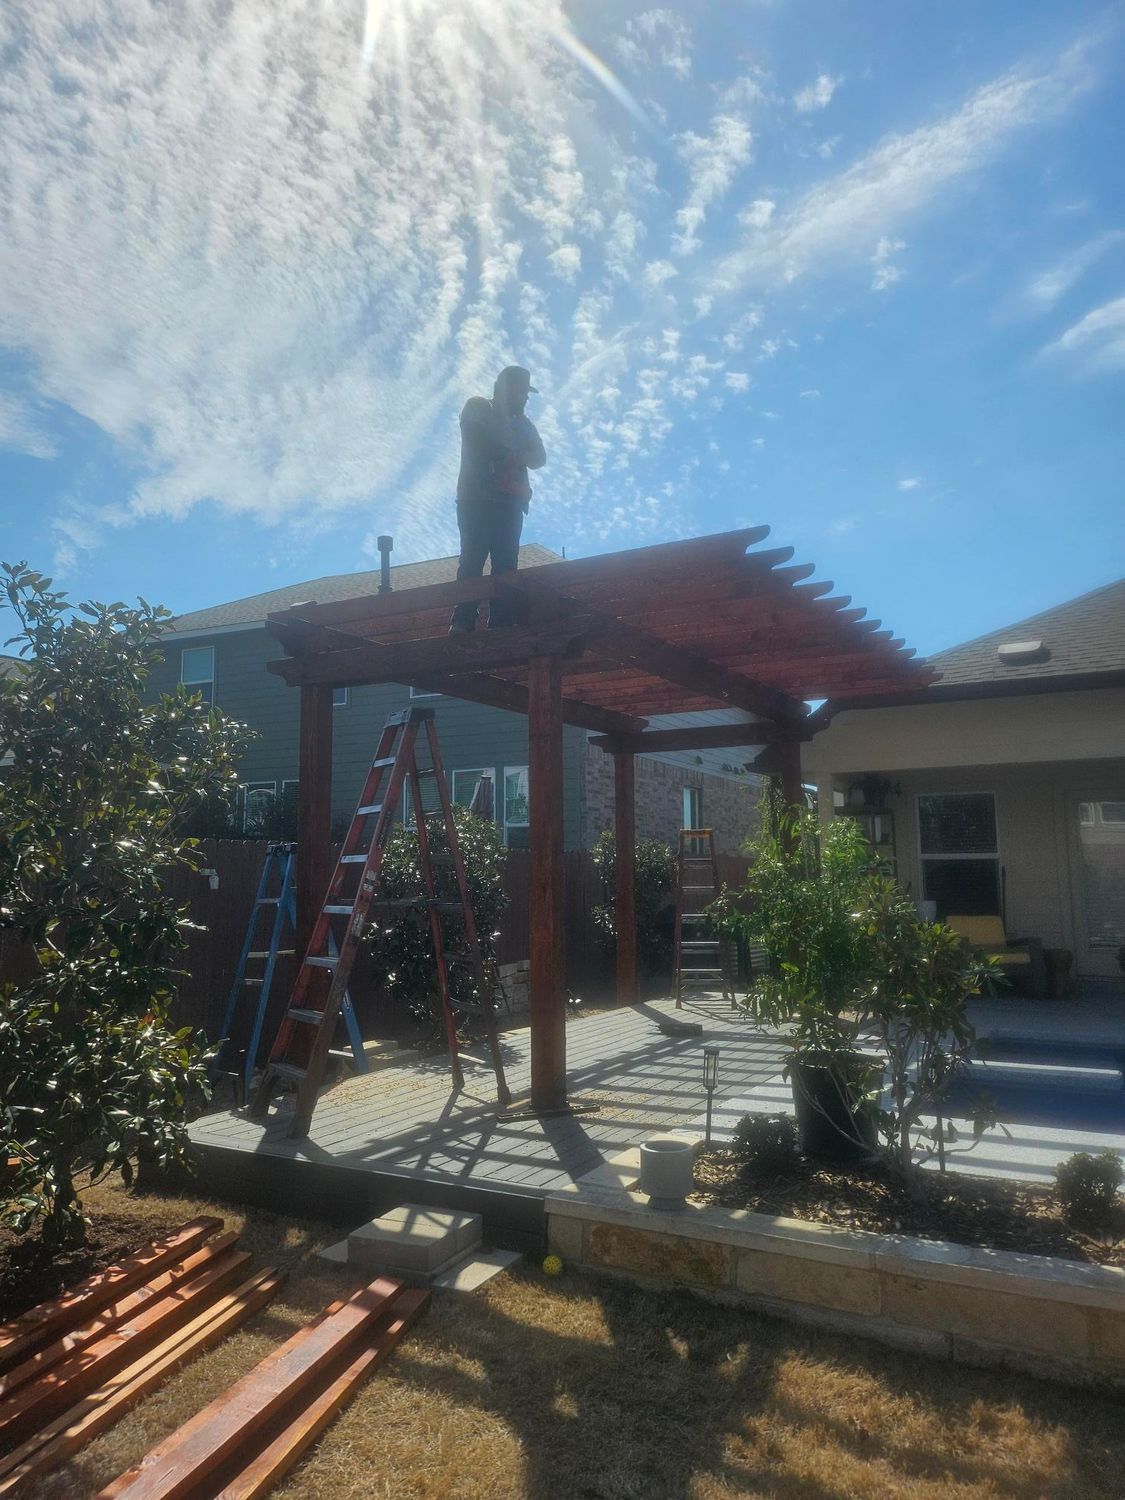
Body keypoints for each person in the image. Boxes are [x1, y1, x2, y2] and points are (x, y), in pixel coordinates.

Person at [449, 365, 546, 633]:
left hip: (510, 502)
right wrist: (508, 456)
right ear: (507, 389)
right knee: (473, 557)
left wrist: (517, 459)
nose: (525, 398)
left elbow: (540, 457)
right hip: (476, 498)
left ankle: (500, 622)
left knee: (506, 563)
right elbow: (475, 441)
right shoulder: (479, 407)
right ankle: (463, 620)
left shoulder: (524, 425)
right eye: (522, 392)